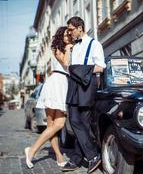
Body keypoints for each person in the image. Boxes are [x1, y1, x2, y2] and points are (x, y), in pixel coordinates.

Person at [24, 26, 73, 170]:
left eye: (69, 35)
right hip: (56, 83)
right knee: (58, 125)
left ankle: (58, 156)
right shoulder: (57, 48)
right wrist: (69, 48)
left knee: (52, 127)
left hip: (63, 83)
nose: (67, 37)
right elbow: (65, 63)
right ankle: (32, 151)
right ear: (60, 36)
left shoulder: (68, 47)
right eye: (65, 35)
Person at [62, 16, 106, 173]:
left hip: (87, 86)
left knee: (84, 124)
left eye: (71, 30)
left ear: (80, 28)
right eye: (68, 30)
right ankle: (91, 155)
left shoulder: (95, 44)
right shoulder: (74, 47)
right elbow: (68, 66)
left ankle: (79, 159)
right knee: (74, 121)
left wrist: (82, 71)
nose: (70, 33)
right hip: (74, 86)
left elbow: (100, 67)